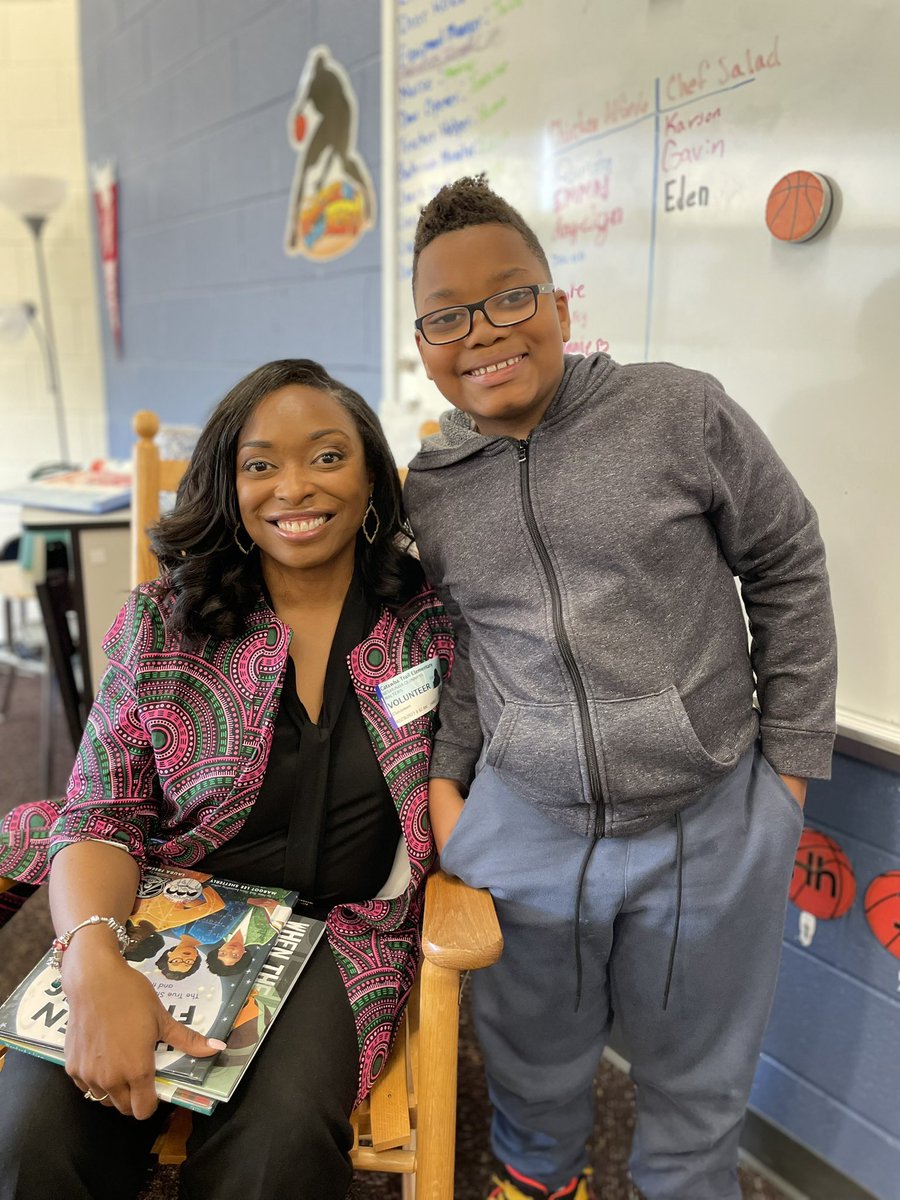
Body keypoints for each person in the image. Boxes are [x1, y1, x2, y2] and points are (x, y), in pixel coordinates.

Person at [403, 176, 837, 1200]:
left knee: (697, 1082)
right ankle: (541, 1177)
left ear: (559, 304)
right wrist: (451, 797)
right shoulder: (434, 486)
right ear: (423, 340)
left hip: (710, 820)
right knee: (534, 1067)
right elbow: (466, 640)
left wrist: (791, 772)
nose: (485, 332)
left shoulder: (677, 411)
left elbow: (786, 560)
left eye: (511, 297)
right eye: (446, 316)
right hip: (523, 831)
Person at [0, 358, 453, 1200]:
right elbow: (101, 809)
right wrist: (93, 958)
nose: (295, 487)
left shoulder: (430, 621)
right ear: (229, 484)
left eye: (327, 456)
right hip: (165, 908)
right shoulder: (163, 620)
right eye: (260, 464)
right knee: (30, 1132)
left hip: (340, 935)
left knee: (277, 1146)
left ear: (370, 480)